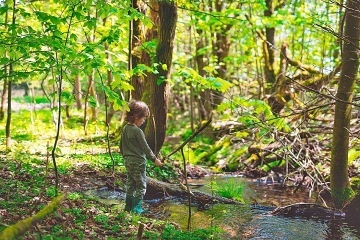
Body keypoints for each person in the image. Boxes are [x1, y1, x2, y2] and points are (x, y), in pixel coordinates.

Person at [120, 100, 163, 214]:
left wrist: (125, 156)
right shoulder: (137, 131)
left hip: (128, 161)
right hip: (138, 162)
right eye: (143, 118)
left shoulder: (125, 128)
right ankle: (137, 209)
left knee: (130, 183)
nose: (144, 121)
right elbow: (145, 148)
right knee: (141, 185)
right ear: (135, 116)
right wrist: (155, 159)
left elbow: (121, 146)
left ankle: (128, 206)